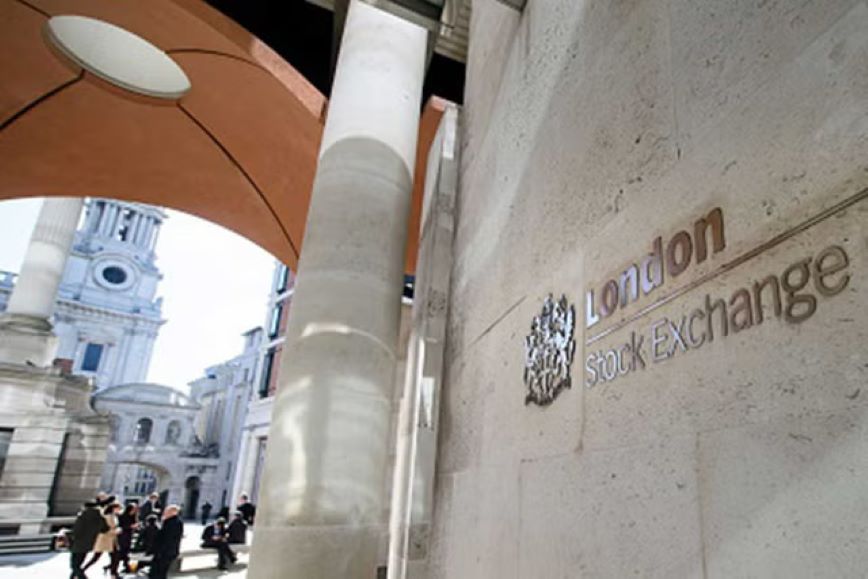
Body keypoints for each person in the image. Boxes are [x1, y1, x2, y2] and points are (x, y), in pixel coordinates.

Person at [69, 498, 109, 579]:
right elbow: (105, 529)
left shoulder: (83, 515)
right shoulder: (99, 516)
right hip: (90, 543)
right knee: (79, 563)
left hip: (78, 542)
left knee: (74, 565)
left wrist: (71, 536)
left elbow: (77, 530)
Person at [81, 501, 121, 577]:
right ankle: (82, 570)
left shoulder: (113, 516)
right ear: (113, 508)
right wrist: (116, 531)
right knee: (96, 557)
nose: (119, 510)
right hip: (105, 539)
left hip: (112, 540)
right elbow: (105, 529)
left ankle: (114, 573)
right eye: (118, 508)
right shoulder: (108, 517)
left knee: (115, 557)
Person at [149, 505, 183, 579]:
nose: (164, 513)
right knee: (160, 572)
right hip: (166, 551)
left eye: (167, 511)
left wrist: (160, 551)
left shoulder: (173, 523)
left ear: (173, 512)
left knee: (158, 572)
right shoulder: (171, 521)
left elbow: (167, 538)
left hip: (165, 552)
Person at [114, 503, 139, 575]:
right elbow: (121, 526)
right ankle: (118, 567)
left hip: (129, 535)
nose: (134, 511)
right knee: (121, 552)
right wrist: (130, 526)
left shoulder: (133, 516)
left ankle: (126, 566)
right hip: (122, 536)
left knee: (126, 552)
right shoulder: (122, 516)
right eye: (133, 510)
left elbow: (134, 524)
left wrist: (136, 526)